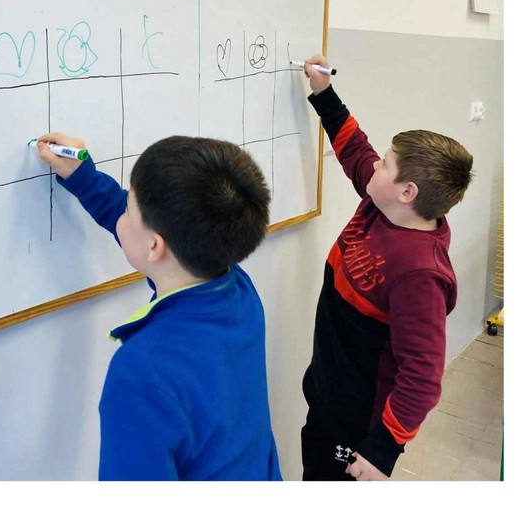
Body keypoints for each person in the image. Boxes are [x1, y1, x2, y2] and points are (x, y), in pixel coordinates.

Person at [34, 132, 281, 480]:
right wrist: (84, 178)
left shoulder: (141, 374)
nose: (121, 213)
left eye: (129, 209)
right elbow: (155, 241)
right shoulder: (235, 288)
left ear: (155, 246)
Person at [299, 54, 474, 481]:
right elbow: (354, 150)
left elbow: (423, 375)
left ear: (407, 192)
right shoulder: (382, 204)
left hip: (360, 425)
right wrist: (324, 94)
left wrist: (382, 450)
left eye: (385, 164)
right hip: (327, 396)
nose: (375, 164)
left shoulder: (420, 274)